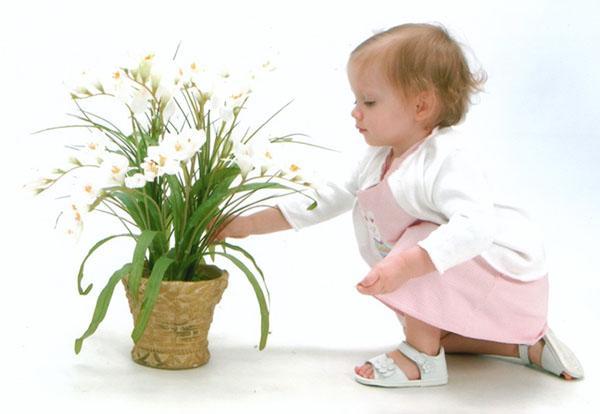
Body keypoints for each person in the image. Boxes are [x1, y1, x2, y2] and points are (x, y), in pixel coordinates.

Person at [214, 23, 584, 388]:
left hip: (502, 278)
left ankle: (422, 359)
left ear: (421, 106)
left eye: (369, 101)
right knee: (418, 282)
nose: (355, 112)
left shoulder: (448, 157)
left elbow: (476, 226)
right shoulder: (379, 158)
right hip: (462, 282)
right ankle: (522, 346)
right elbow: (326, 198)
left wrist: (408, 263)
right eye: (356, 100)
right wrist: (247, 224)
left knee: (419, 238)